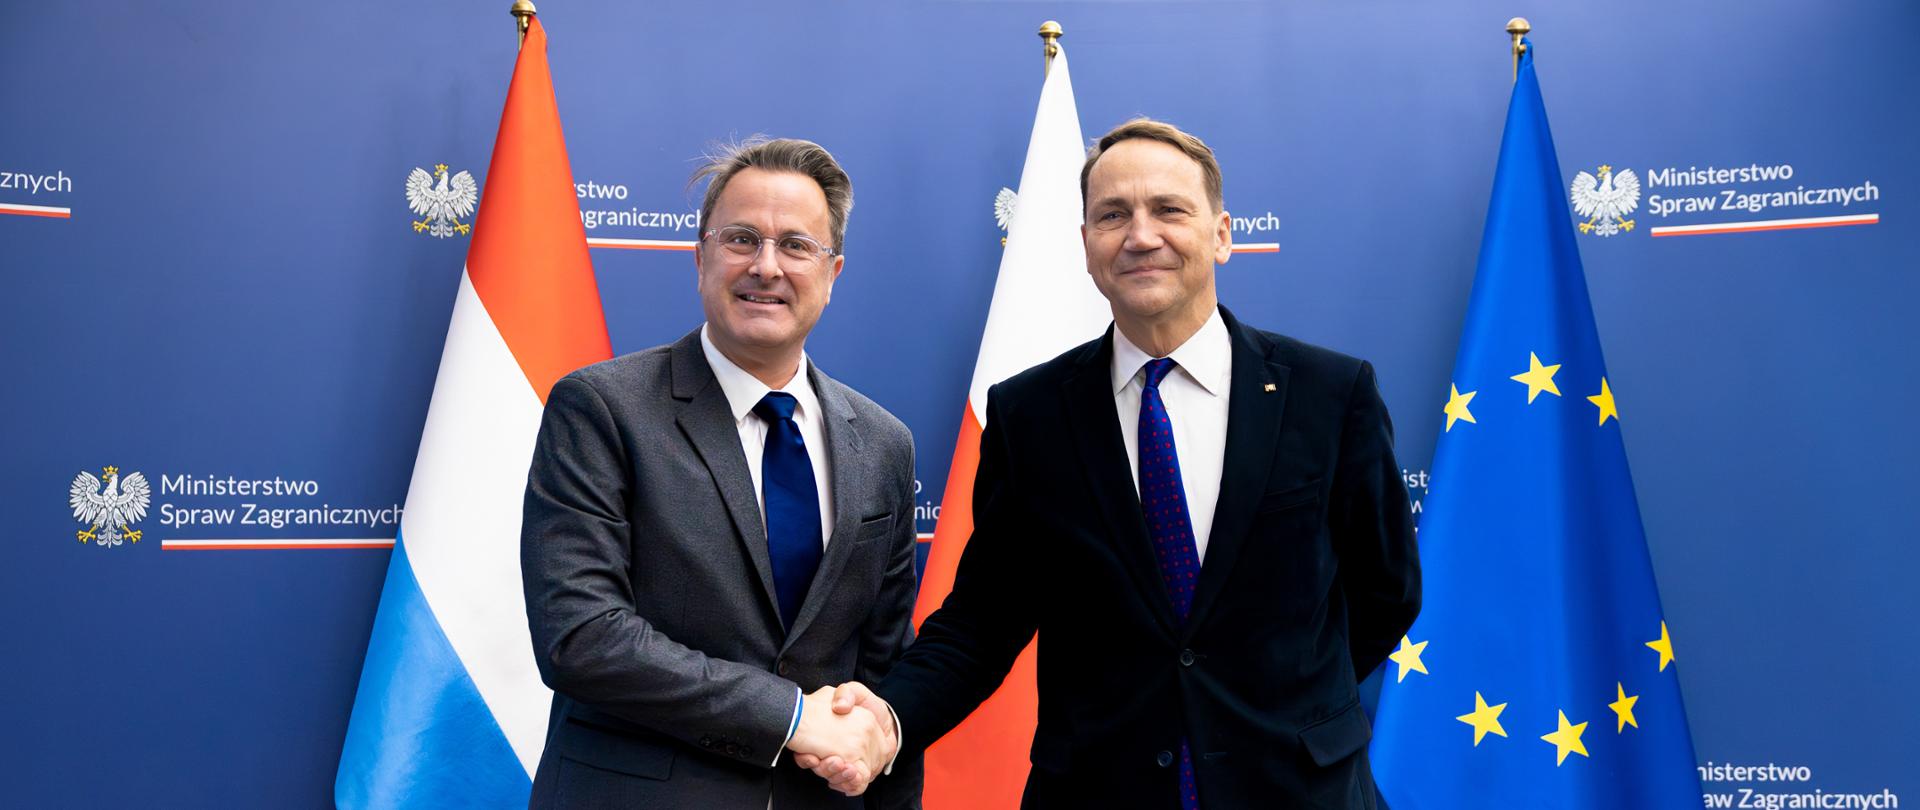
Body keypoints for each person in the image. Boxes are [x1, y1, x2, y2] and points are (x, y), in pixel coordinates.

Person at [808, 119, 1421, 808]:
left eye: (1169, 209)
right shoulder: (1031, 415)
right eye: (1112, 215)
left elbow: (1385, 593)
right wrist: (888, 719)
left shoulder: (1330, 395)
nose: (1141, 234)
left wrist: (1286, 707)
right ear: (1087, 247)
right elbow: (983, 622)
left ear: (1222, 233)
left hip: (1301, 789)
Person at [521, 137, 922, 809]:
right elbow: (581, 635)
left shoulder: (883, 443)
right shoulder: (601, 409)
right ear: (700, 257)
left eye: (796, 246)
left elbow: (881, 672)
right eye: (741, 239)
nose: (767, 266)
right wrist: (790, 716)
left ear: (833, 272)